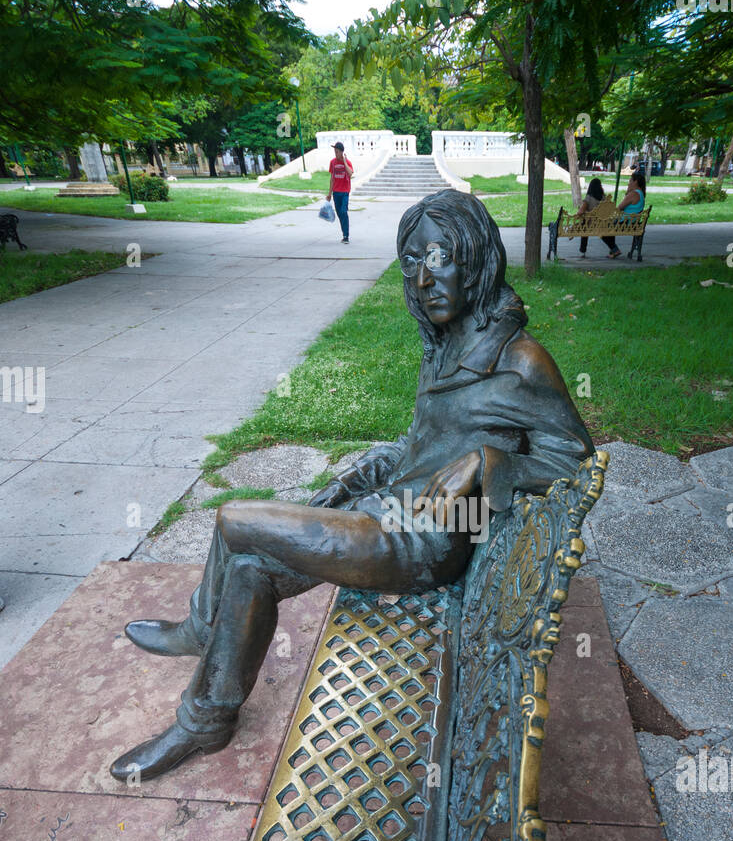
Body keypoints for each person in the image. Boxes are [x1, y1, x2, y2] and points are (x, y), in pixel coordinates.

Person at [110, 191, 595, 781]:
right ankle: (205, 720)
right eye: (410, 263)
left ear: (476, 259)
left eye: (438, 257)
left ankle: (197, 629)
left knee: (236, 521)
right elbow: (424, 443)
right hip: (381, 511)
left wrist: (490, 463)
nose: (422, 278)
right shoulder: (445, 347)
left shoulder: (520, 362)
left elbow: (574, 461)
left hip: (423, 543)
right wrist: (365, 468)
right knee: (249, 569)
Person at [606, 170, 646, 260]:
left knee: (602, 227)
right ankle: (613, 250)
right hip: (633, 223)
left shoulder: (634, 194)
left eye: (630, 180)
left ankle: (614, 249)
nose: (629, 183)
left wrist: (627, 192)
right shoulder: (641, 194)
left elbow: (620, 207)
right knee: (609, 224)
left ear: (635, 182)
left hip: (625, 223)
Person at [575, 177, 619, 258]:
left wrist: (582, 212)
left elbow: (580, 212)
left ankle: (582, 250)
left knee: (584, 227)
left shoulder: (588, 198)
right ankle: (614, 249)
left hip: (592, 225)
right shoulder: (604, 198)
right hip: (604, 224)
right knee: (604, 231)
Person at [328, 141, 354, 242]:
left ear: (342, 152)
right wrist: (329, 193)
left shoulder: (347, 162)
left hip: (345, 192)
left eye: (337, 151)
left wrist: (344, 161)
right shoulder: (332, 162)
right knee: (339, 213)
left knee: (343, 211)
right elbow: (332, 178)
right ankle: (344, 233)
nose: (336, 153)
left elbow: (350, 173)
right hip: (336, 192)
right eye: (335, 151)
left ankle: (346, 235)